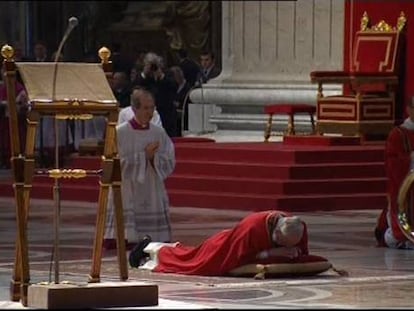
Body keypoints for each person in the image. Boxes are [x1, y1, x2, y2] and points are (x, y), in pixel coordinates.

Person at [129, 210, 308, 276]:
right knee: (194, 263)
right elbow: (240, 256)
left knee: (190, 253)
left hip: (227, 243)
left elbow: (303, 252)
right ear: (276, 232)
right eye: (283, 243)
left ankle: (153, 247)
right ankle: (148, 249)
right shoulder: (252, 228)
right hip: (222, 247)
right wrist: (270, 254)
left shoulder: (297, 226)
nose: (286, 247)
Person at [103, 87, 176, 249]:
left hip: (151, 186)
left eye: (152, 108)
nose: (150, 112)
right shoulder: (120, 133)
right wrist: (143, 157)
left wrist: (154, 158)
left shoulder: (158, 132)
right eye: (145, 108)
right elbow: (114, 163)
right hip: (128, 187)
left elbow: (169, 158)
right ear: (134, 109)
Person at [375, 99, 414, 249]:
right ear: (408, 109)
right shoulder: (398, 134)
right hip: (406, 185)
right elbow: (392, 162)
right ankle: (401, 236)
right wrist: (410, 159)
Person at [132, 52, 178, 137]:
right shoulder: (142, 76)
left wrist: (161, 76)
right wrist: (145, 73)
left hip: (165, 111)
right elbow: (135, 87)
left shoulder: (167, 74)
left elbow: (174, 86)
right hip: (147, 110)